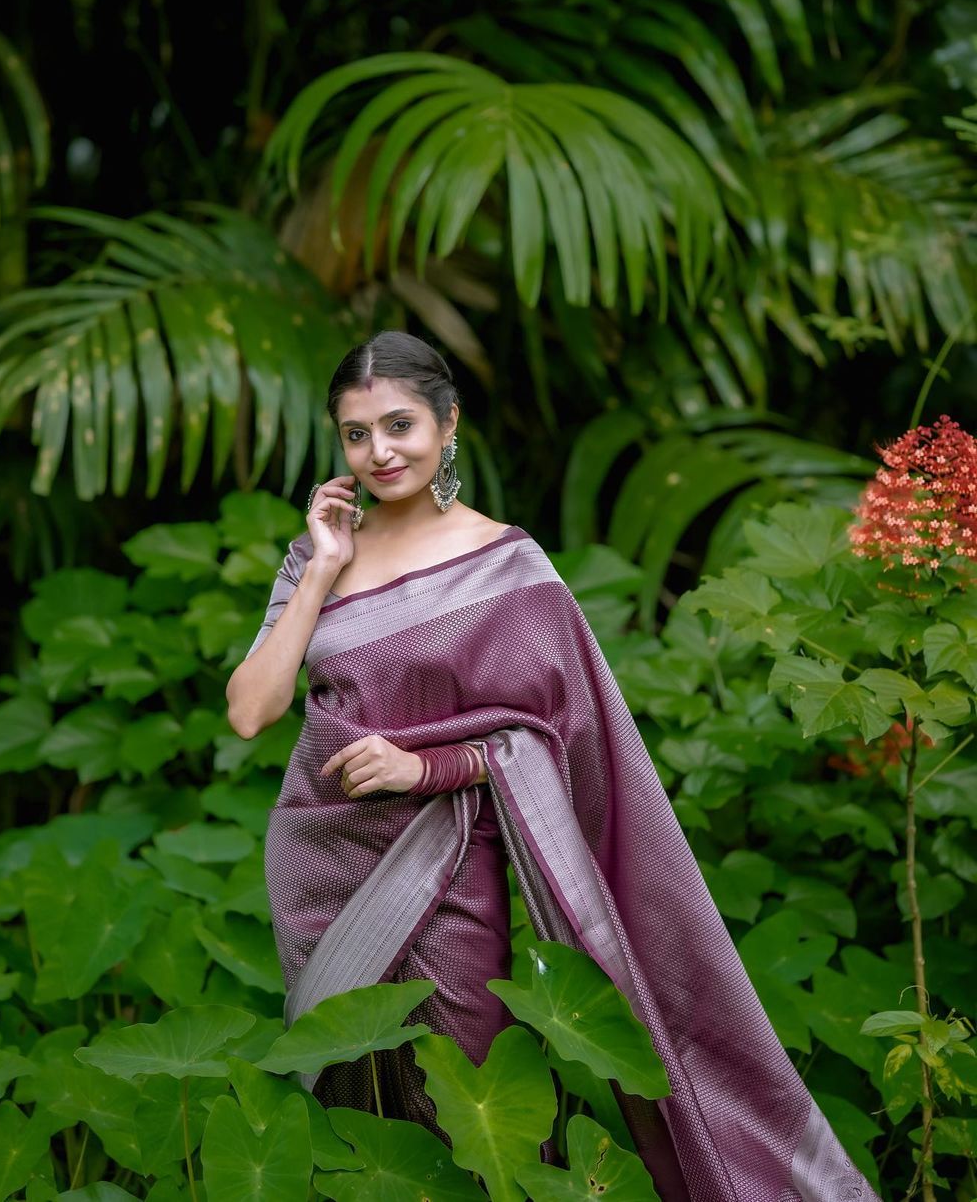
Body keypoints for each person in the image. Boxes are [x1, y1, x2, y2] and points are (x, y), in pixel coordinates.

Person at [225, 330, 879, 1202]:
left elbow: (546, 739)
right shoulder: (317, 558)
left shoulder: (509, 568)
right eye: (355, 434)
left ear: (448, 425)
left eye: (400, 425)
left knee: (464, 1110)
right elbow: (250, 709)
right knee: (356, 1127)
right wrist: (321, 572)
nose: (378, 451)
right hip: (323, 869)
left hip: (451, 872)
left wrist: (425, 770)